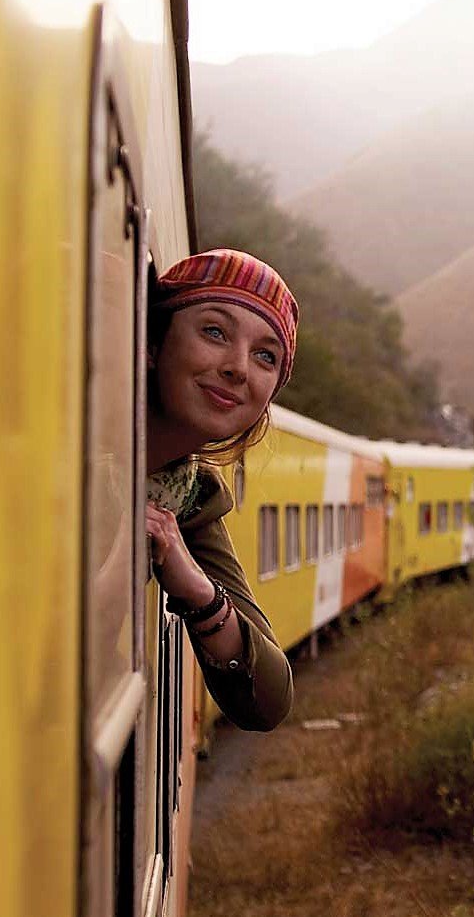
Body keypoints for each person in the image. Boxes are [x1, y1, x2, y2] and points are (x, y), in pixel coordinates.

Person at [144, 249, 297, 731]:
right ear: (152, 341)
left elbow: (269, 701)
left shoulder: (189, 497)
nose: (238, 368)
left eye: (265, 356)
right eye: (215, 332)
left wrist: (197, 590)